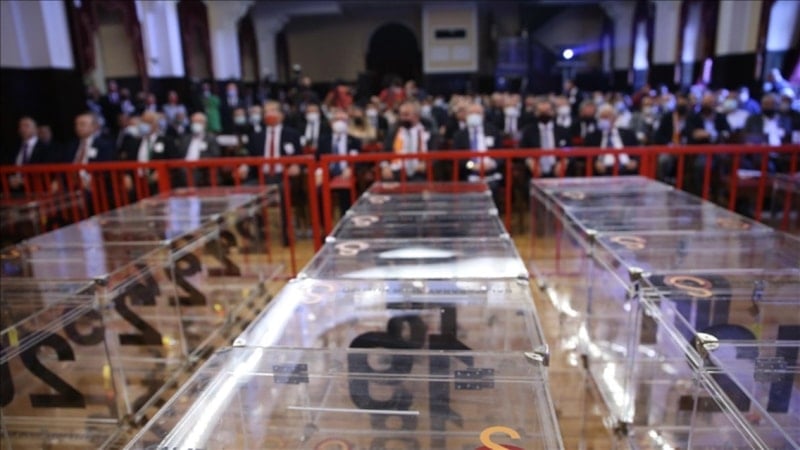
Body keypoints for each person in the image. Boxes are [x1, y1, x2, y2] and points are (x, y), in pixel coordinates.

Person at [243, 101, 302, 245]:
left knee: (284, 191)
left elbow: (299, 157)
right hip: (261, 176)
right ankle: (259, 232)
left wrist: (296, 165)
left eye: (273, 110)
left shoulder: (292, 134)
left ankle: (286, 233)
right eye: (267, 112)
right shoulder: (256, 136)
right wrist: (244, 167)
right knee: (245, 192)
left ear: (281, 115)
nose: (270, 114)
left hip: (283, 176)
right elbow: (250, 157)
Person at [451, 102, 505, 207]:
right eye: (471, 113)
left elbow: (501, 153)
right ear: (466, 115)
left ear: (483, 115)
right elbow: (458, 158)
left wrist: (492, 164)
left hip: (491, 174)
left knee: (493, 189)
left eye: (478, 113)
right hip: (469, 174)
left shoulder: (493, 131)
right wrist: (472, 165)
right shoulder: (459, 135)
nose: (474, 116)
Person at [316, 108, 364, 216]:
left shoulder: (354, 141)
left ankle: (346, 219)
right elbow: (317, 159)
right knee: (319, 191)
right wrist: (319, 172)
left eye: (343, 120)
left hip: (346, 174)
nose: (339, 123)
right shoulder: (323, 140)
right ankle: (325, 223)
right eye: (336, 119)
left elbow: (360, 160)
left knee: (347, 192)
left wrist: (351, 168)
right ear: (331, 123)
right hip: (328, 174)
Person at [519, 100, 572, 178]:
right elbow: (522, 150)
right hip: (534, 172)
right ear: (536, 112)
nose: (544, 114)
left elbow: (570, 151)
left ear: (553, 112)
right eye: (541, 111)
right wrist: (530, 161)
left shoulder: (563, 131)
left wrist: (563, 162)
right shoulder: (528, 131)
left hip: (558, 172)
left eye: (547, 111)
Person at [382, 100, 432, 181]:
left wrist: (426, 164)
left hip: (419, 170)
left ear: (416, 116)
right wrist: (385, 167)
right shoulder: (394, 131)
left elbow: (435, 153)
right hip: (397, 170)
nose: (403, 118)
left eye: (406, 115)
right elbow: (385, 152)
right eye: (401, 115)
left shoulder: (428, 132)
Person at [584, 104, 639, 176]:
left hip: (626, 169)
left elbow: (637, 152)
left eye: (608, 117)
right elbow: (587, 155)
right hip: (604, 170)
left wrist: (634, 161)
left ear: (615, 118)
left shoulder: (628, 134)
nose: (605, 120)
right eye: (603, 117)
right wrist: (595, 162)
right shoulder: (592, 136)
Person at [175, 112, 221, 187]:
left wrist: (199, 163)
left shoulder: (211, 138)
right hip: (184, 168)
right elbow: (179, 155)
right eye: (194, 122)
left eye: (199, 122)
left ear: (205, 124)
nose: (196, 124)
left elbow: (215, 155)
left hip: (201, 169)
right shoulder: (185, 138)